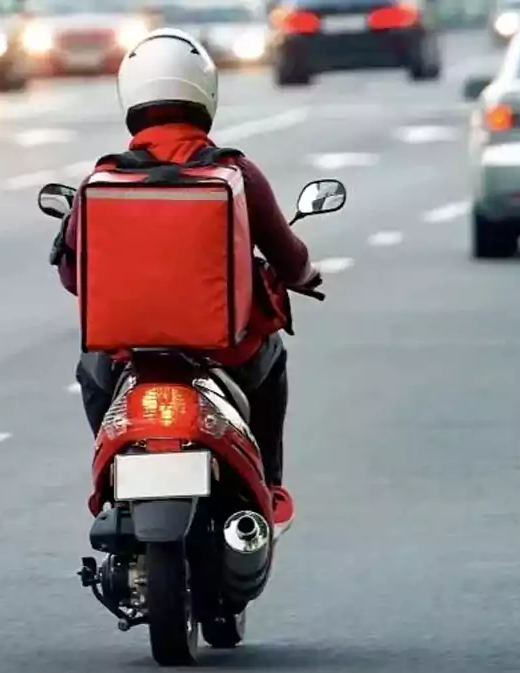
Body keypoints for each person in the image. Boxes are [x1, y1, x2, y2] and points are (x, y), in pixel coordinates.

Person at [52, 27, 320, 533]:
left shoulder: (102, 179)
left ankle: (111, 482)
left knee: (91, 373)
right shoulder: (236, 172)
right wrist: (304, 275)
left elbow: (73, 276)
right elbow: (286, 253)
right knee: (272, 362)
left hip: (130, 355)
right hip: (228, 352)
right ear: (206, 95)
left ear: (130, 97)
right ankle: (270, 486)